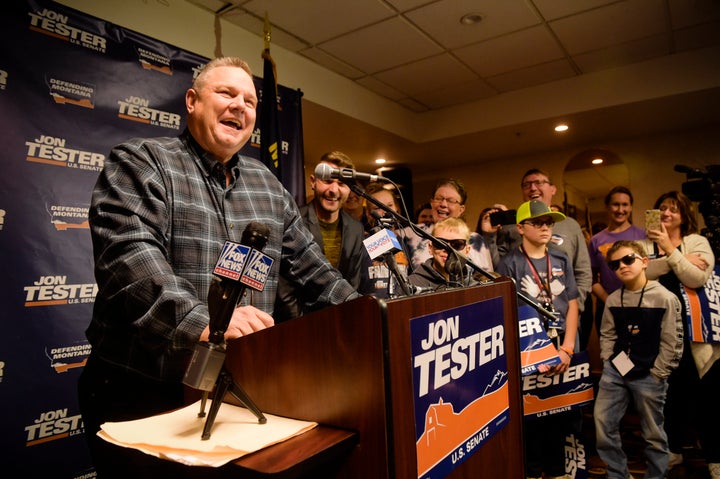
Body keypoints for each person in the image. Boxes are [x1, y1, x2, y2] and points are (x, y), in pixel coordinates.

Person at [78, 57, 359, 478]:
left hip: (237, 391)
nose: (240, 106)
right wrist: (204, 322)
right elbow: (129, 262)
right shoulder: (141, 162)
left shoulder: (268, 185)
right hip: (144, 390)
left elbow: (314, 271)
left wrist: (370, 316)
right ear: (192, 101)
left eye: (249, 100)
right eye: (226, 93)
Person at [496, 200, 578, 479]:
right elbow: (505, 313)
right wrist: (531, 356)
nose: (545, 227)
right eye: (538, 222)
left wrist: (567, 347)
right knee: (530, 419)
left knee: (559, 416)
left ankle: (557, 472)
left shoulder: (562, 258)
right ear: (520, 227)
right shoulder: (509, 263)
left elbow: (573, 303)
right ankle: (530, 472)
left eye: (549, 223)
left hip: (561, 348)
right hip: (529, 354)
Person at [644, 190, 719, 477]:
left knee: (708, 400)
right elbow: (644, 272)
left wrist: (671, 252)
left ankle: (715, 458)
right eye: (661, 208)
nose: (666, 213)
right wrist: (679, 257)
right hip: (663, 333)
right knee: (670, 396)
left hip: (698, 335)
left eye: (673, 209)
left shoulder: (698, 241)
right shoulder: (647, 243)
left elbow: (697, 277)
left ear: (683, 215)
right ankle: (673, 450)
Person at [594, 240, 683, 479]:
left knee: (653, 433)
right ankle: (618, 474)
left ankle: (657, 475)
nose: (622, 266)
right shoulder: (613, 299)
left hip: (650, 374)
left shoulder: (665, 298)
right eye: (615, 264)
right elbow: (607, 334)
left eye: (628, 259)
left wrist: (658, 373)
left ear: (644, 262)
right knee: (602, 424)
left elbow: (672, 341)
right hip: (616, 370)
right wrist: (607, 361)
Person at [481, 169, 591, 315]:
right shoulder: (511, 227)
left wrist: (574, 307)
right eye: (527, 184)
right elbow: (499, 269)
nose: (532, 188)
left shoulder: (570, 225)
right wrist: (490, 236)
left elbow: (583, 271)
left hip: (566, 314)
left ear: (552, 189)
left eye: (539, 182)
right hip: (526, 316)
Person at [275, 151, 366, 320]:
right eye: (327, 181)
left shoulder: (356, 229)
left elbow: (352, 283)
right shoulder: (293, 222)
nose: (333, 190)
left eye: (342, 184)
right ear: (313, 182)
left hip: (341, 323)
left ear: (350, 189)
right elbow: (284, 288)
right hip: (299, 325)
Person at [586, 186, 646, 347]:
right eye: (615, 205)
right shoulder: (596, 240)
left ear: (631, 207)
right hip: (608, 309)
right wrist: (610, 300)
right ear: (607, 207)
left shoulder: (643, 236)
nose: (620, 209)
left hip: (640, 306)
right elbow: (590, 278)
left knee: (640, 353)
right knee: (612, 355)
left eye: (625, 205)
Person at [402, 178, 494, 276]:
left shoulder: (475, 240)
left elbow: (487, 280)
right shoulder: (411, 234)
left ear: (461, 209)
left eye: (451, 201)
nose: (443, 204)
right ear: (432, 203)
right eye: (439, 198)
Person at [361, 181, 411, 298]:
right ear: (368, 213)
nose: (385, 211)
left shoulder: (404, 242)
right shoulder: (361, 242)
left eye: (389, 205)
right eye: (378, 207)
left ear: (397, 208)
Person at [408, 217, 479, 290]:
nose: (448, 249)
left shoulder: (476, 286)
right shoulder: (411, 286)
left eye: (457, 244)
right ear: (430, 247)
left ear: (467, 251)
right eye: (440, 243)